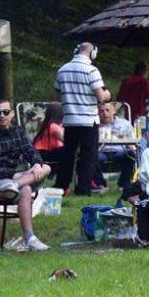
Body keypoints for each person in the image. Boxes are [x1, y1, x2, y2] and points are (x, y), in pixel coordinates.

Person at [0, 99, 51, 251]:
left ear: (12, 114)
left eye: (5, 112)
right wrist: (13, 174)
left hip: (12, 181)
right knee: (26, 188)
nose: (2, 116)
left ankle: (29, 238)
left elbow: (31, 152)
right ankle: (17, 183)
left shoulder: (18, 132)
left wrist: (36, 163)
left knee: (45, 169)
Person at [53, 43, 110, 196]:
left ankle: (61, 186)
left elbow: (57, 97)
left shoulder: (62, 69)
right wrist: (108, 94)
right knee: (88, 156)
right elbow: (101, 98)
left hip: (69, 120)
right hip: (88, 121)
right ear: (93, 54)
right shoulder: (92, 70)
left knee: (68, 155)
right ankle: (83, 189)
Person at [94, 102, 136, 190]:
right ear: (98, 112)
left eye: (107, 110)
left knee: (131, 155)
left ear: (114, 111)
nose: (105, 113)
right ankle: (100, 184)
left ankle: (124, 184)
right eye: (101, 111)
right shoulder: (95, 125)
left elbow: (132, 140)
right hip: (101, 151)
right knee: (91, 157)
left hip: (120, 151)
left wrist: (130, 145)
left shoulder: (125, 124)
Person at [32, 102, 66, 183]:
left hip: (45, 152)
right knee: (69, 152)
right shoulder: (53, 127)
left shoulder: (50, 124)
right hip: (42, 154)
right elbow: (68, 141)